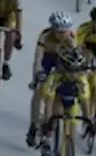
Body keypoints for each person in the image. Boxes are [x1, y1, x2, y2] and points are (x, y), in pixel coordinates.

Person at [27, 11, 77, 147]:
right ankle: (34, 124)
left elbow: (75, 60)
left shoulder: (71, 39)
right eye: (59, 32)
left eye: (65, 31)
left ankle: (50, 121)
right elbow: (38, 58)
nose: (62, 35)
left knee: (57, 93)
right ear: (53, 29)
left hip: (62, 62)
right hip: (47, 60)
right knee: (39, 90)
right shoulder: (45, 36)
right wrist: (37, 76)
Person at [39, 44, 96, 145]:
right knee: (57, 112)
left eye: (76, 71)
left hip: (72, 102)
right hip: (57, 99)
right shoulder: (55, 77)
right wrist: (48, 122)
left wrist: (88, 121)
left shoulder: (82, 80)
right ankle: (47, 140)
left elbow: (85, 103)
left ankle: (68, 155)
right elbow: (49, 103)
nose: (73, 74)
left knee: (72, 133)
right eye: (70, 70)